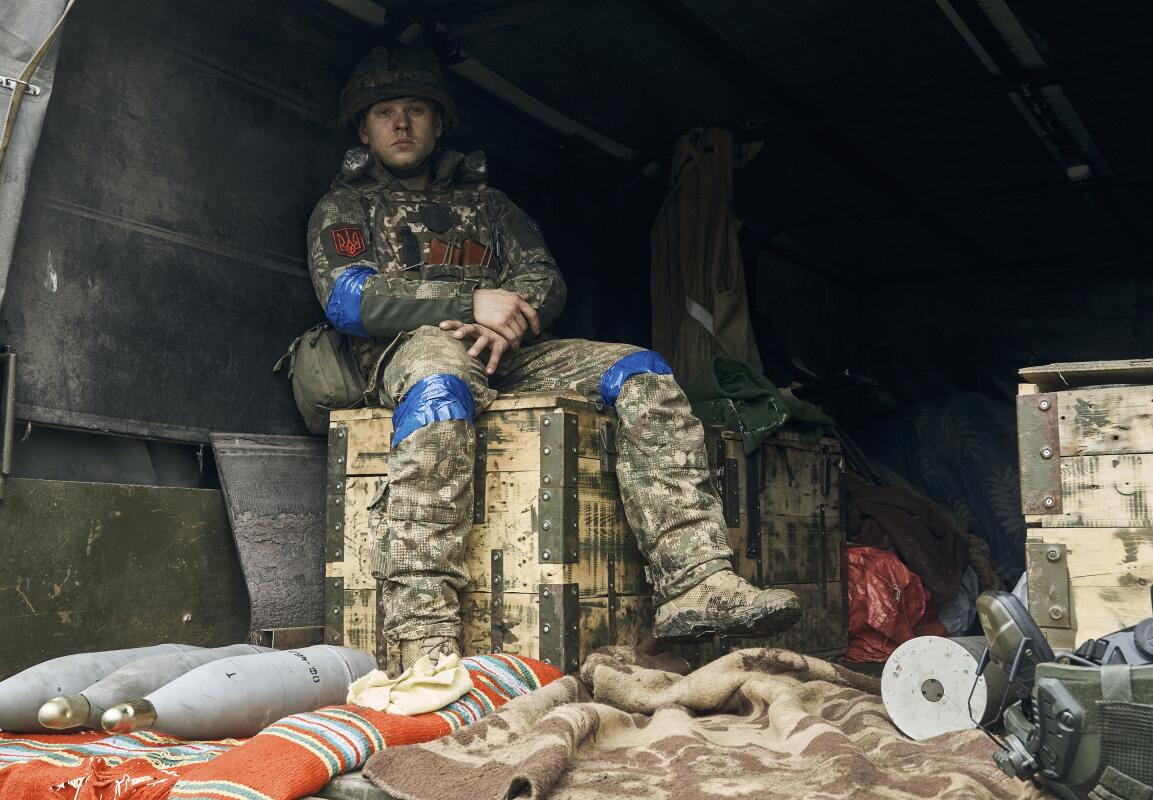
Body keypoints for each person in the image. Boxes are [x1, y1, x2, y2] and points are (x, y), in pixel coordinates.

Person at [306, 45, 801, 668]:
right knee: (439, 385)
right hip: (411, 351)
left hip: (507, 351)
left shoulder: (490, 207)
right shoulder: (346, 207)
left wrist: (508, 320)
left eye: (415, 110)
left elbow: (545, 278)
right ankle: (422, 632)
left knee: (641, 369)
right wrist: (471, 299)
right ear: (363, 127)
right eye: (384, 113)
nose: (401, 125)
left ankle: (695, 580)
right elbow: (349, 299)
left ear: (439, 122)